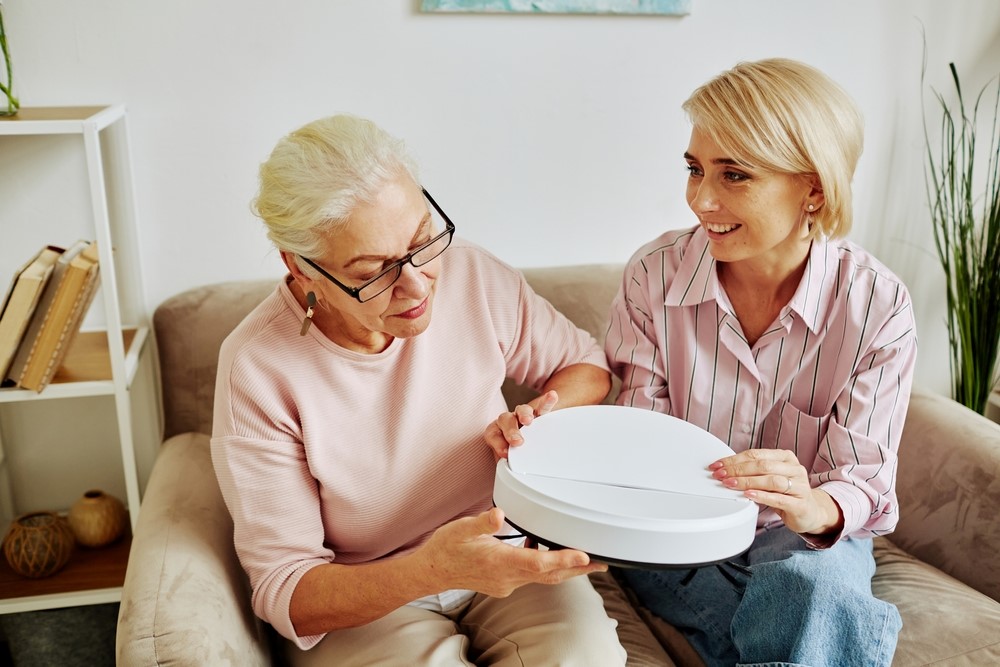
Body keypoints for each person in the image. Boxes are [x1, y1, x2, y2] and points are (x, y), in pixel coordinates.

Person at [210, 114, 627, 666]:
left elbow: (585, 364)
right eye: (373, 271)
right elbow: (288, 592)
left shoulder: (471, 274)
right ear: (302, 268)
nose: (417, 284)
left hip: (506, 548)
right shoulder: (257, 367)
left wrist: (537, 420)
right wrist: (433, 568)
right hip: (368, 597)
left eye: (421, 242)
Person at [603, 59, 917, 666]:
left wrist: (807, 502)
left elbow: (863, 484)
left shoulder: (877, 305)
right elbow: (638, 445)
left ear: (815, 189)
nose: (701, 199)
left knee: (810, 583)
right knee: (817, 614)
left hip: (801, 537)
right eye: (695, 169)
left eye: (734, 175)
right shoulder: (653, 275)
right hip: (677, 534)